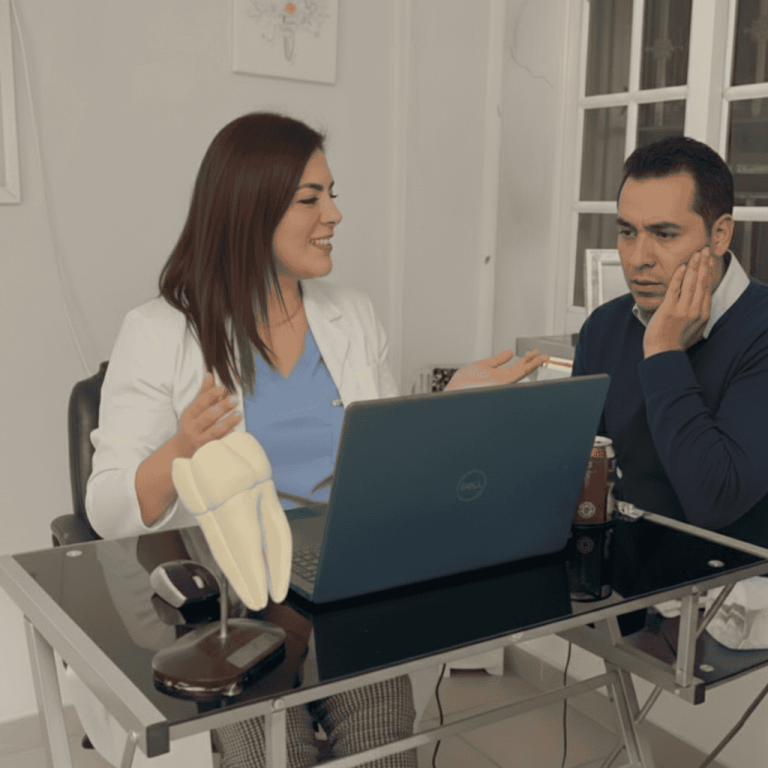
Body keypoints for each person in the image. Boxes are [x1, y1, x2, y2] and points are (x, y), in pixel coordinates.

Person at [83, 112, 547, 768]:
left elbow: (387, 465)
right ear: (248, 209)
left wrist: (451, 406)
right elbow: (105, 507)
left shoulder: (350, 315)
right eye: (311, 199)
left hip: (339, 587)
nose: (333, 214)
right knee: (275, 755)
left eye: (333, 194)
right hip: (229, 600)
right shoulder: (159, 332)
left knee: (384, 749)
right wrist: (180, 448)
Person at [572, 136, 768, 549]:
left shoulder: (760, 330)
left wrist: (663, 351)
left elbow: (715, 504)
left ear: (719, 235)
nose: (638, 257)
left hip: (729, 593)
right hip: (623, 581)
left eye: (664, 234)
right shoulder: (604, 327)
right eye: (627, 232)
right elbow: (577, 477)